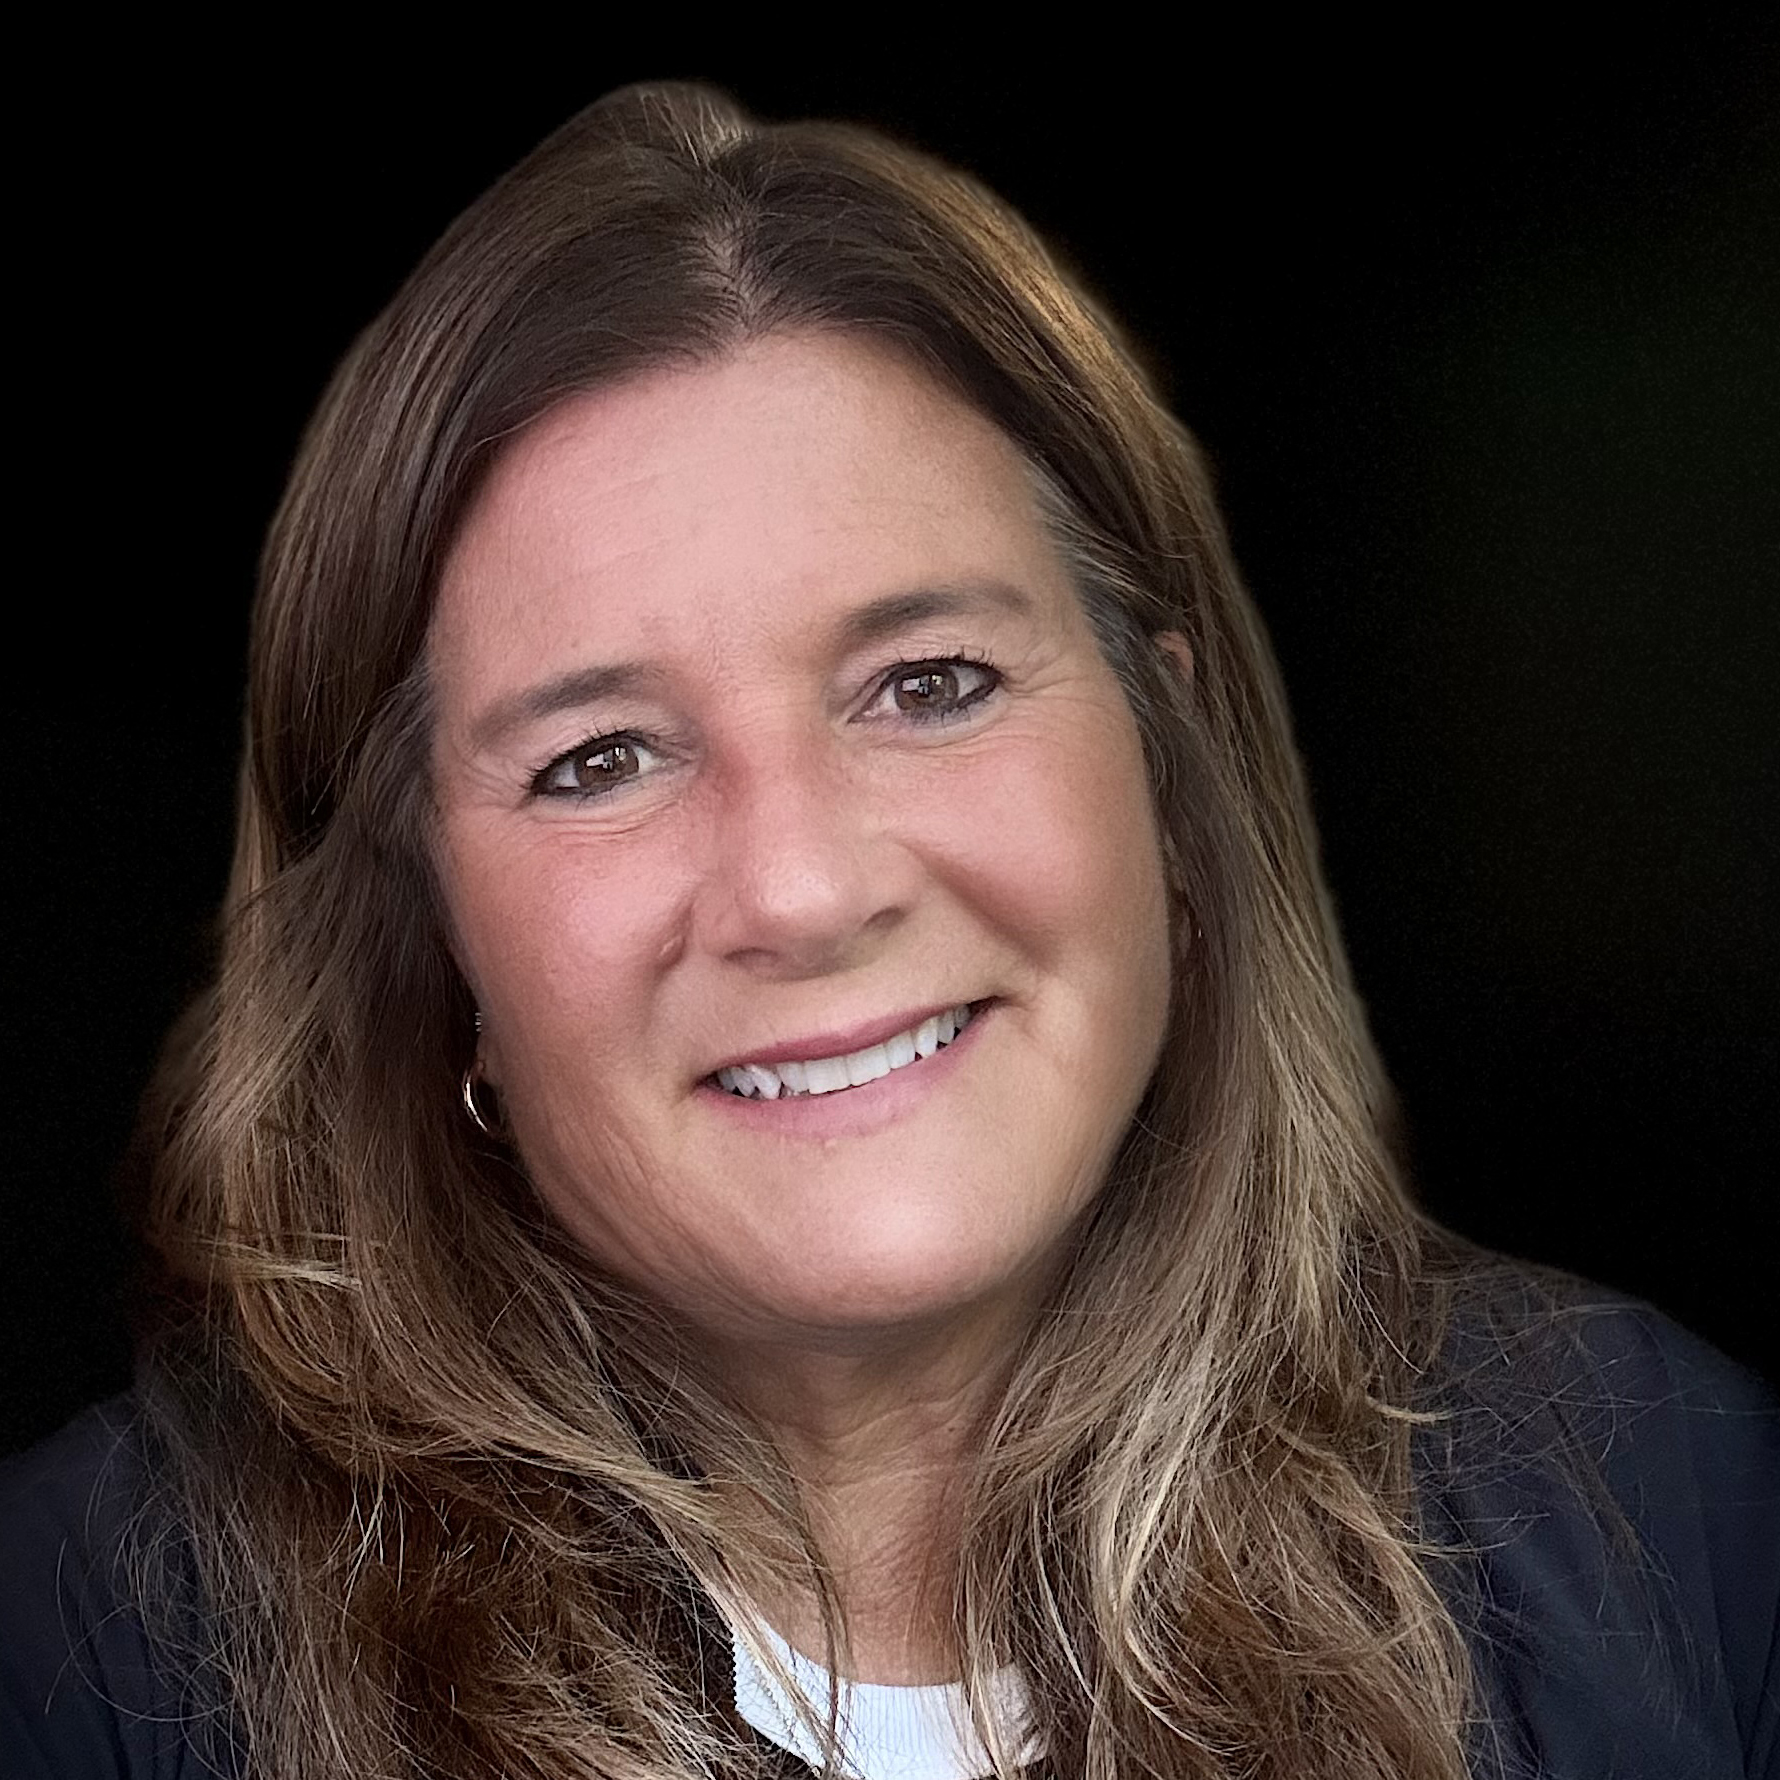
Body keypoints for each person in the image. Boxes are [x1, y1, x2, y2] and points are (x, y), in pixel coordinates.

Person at [2, 82, 1774, 1780]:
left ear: (1171, 771)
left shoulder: (1669, 1510)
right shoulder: (87, 1655)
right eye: (599, 759)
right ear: (430, 944)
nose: (801, 887)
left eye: (930, 684)